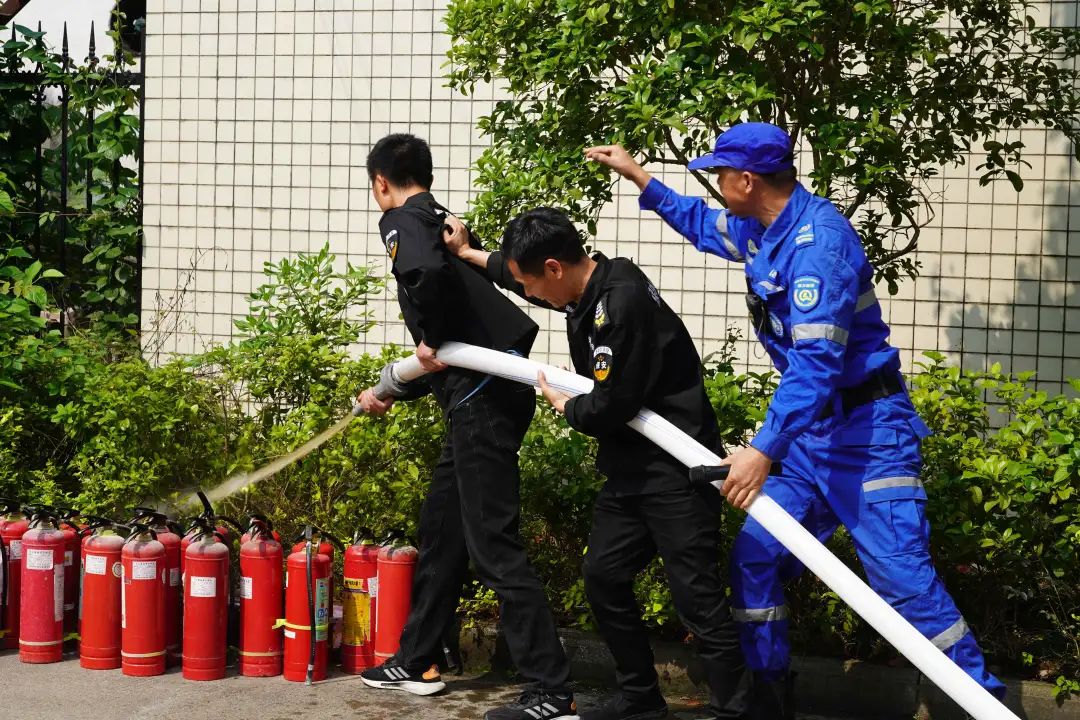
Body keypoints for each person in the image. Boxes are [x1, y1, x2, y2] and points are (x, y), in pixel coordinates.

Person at [584, 123, 1008, 718]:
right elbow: (703, 225)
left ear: (746, 180)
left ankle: (983, 704)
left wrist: (763, 449)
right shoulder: (762, 228)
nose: (716, 183)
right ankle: (768, 699)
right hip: (811, 440)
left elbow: (815, 365)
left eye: (720, 174)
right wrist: (638, 176)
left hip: (868, 436)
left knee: (904, 584)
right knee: (755, 560)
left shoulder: (818, 247)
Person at [443, 208, 752, 720]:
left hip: (675, 471)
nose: (531, 294)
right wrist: (469, 253)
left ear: (554, 267)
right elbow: (519, 277)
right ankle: (640, 699)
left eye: (533, 284)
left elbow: (612, 405)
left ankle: (737, 711)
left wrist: (567, 405)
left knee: (698, 601)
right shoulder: (589, 285)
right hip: (630, 472)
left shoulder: (619, 304)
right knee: (604, 578)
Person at [355, 134, 576, 720]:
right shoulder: (442, 220)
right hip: (479, 390)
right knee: (443, 530)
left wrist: (428, 338)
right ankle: (417, 659)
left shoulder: (404, 220)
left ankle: (552, 690)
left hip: (483, 397)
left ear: (380, 182)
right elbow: (454, 343)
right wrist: (397, 384)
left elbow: (430, 288)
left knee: (492, 545)